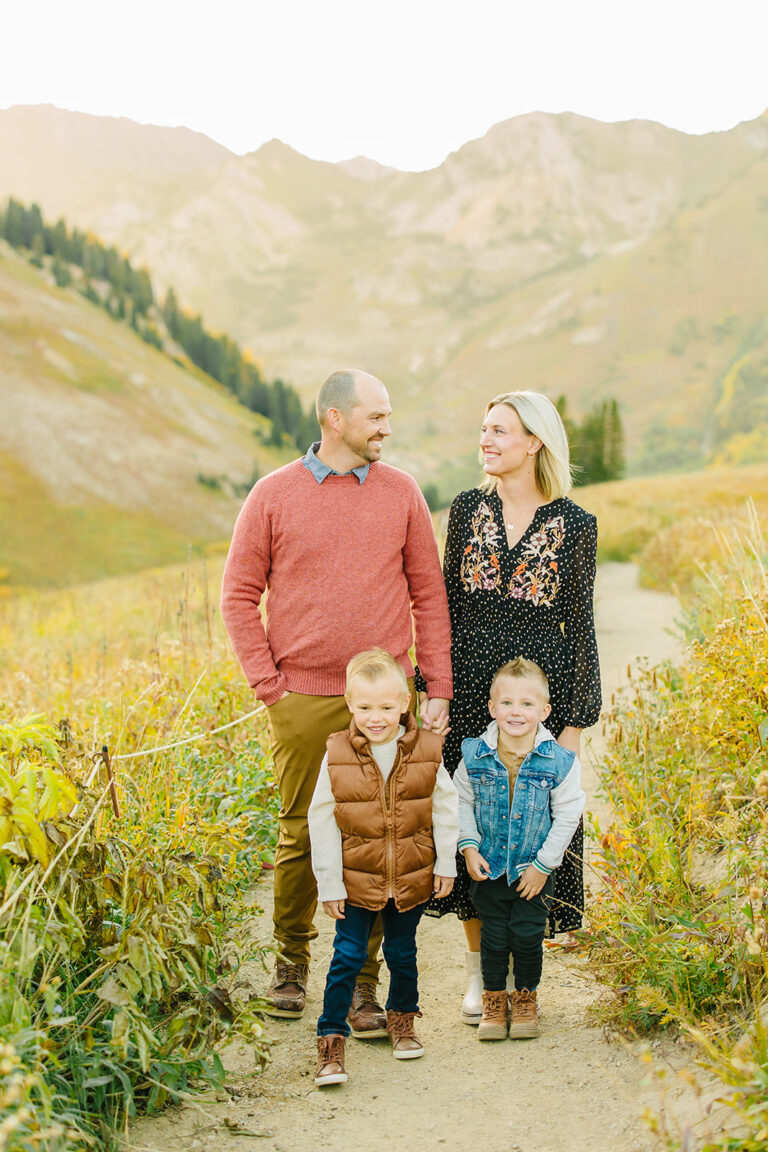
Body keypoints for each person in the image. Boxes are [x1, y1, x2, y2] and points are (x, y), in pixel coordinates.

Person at [220, 369, 453, 1027]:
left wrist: (433, 686)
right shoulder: (273, 495)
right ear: (334, 419)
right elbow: (238, 595)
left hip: (385, 704)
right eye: (375, 416)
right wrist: (270, 687)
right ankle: (290, 964)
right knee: (300, 834)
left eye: (387, 416)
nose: (386, 427)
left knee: (378, 837)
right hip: (301, 699)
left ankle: (361, 985)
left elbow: (427, 595)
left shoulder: (402, 492)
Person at [418, 390, 601, 1023]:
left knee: (530, 829)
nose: (486, 440)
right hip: (472, 692)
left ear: (535, 442)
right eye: (483, 429)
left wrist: (574, 724)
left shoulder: (576, 524)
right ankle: (479, 978)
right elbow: (443, 605)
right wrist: (434, 690)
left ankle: (522, 978)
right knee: (476, 825)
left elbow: (580, 627)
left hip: (536, 701)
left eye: (500, 430)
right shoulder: (467, 509)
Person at [308, 649, 458, 1085]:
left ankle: (403, 1022)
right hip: (355, 880)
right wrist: (329, 882)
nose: (377, 717)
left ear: (404, 705)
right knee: (347, 957)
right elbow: (320, 818)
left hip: (410, 876)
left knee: (402, 953)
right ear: (350, 705)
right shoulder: (337, 753)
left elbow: (445, 807)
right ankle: (331, 1040)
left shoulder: (427, 750)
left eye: (387, 707)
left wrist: (444, 862)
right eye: (366, 707)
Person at [454, 657, 585, 1039]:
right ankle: (494, 1001)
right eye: (507, 703)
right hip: (490, 865)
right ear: (492, 708)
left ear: (544, 711)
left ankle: (525, 997)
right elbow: (462, 801)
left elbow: (567, 814)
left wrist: (544, 865)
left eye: (527, 704)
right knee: (493, 936)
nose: (516, 712)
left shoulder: (559, 761)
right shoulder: (474, 754)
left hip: (533, 869)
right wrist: (468, 847)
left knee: (528, 936)